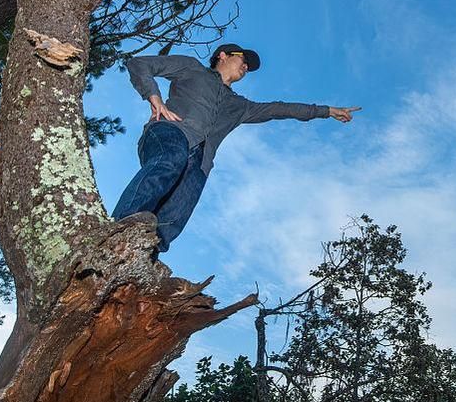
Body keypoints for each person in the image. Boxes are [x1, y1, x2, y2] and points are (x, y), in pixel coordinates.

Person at [112, 43, 360, 254]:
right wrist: (154, 98)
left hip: (200, 160)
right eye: (243, 60)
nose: (246, 67)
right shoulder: (191, 68)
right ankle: (117, 230)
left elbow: (279, 109)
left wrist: (326, 111)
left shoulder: (240, 106)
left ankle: (147, 255)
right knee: (171, 160)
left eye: (248, 67)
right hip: (170, 133)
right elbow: (139, 64)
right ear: (223, 56)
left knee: (180, 207)